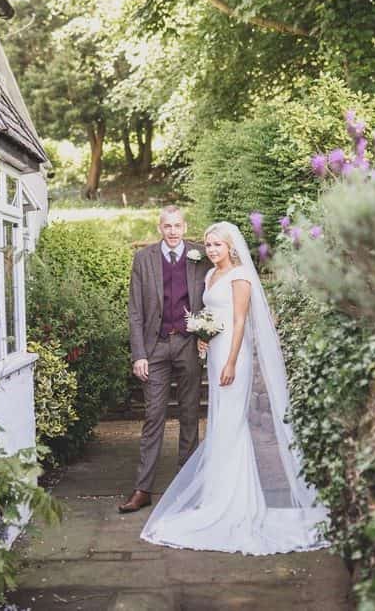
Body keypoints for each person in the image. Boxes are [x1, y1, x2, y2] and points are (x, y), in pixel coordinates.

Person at [139, 221, 329, 555]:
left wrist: (229, 361)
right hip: (214, 354)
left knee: (231, 425)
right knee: (220, 422)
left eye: (218, 245)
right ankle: (220, 496)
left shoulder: (240, 277)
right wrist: (203, 338)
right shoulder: (211, 276)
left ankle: (235, 504)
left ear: (231, 247)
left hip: (233, 358)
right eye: (209, 245)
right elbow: (213, 315)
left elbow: (240, 322)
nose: (212, 250)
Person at [119, 206, 212, 514]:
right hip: (155, 347)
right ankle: (143, 489)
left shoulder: (201, 255)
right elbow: (135, 311)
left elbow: (217, 291)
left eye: (177, 226)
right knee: (153, 416)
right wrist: (139, 354)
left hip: (188, 345)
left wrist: (207, 335)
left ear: (185, 227)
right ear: (160, 228)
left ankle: (186, 486)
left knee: (189, 416)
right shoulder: (144, 259)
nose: (173, 231)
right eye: (167, 226)